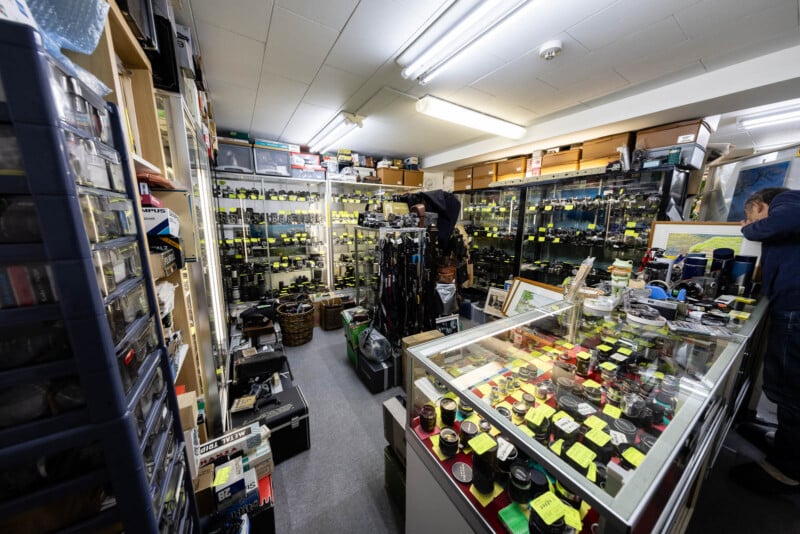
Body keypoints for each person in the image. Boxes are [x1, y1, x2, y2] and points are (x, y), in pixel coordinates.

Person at [733, 186, 800, 493]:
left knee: (790, 389)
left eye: (750, 216)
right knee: (787, 386)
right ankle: (782, 442)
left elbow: (783, 222)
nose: (751, 224)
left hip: (795, 310)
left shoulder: (788, 200)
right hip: (790, 307)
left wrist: (750, 229)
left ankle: (786, 469)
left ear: (760, 206)